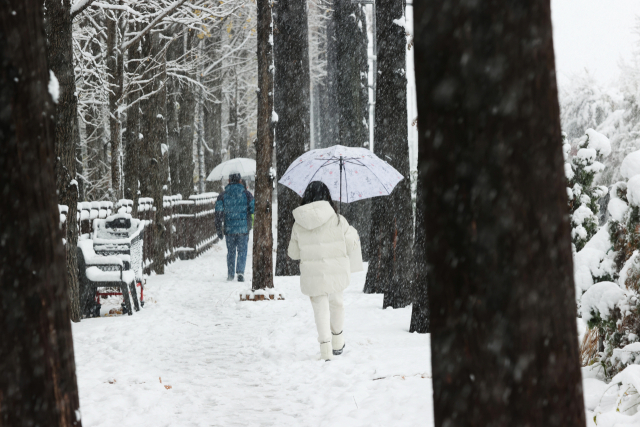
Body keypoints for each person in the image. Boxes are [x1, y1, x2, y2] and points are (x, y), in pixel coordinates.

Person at [287, 181, 363, 361]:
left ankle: (325, 350)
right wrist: (350, 231)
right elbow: (349, 244)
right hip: (336, 270)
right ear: (327, 196)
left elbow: (293, 253)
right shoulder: (337, 219)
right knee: (337, 303)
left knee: (320, 309)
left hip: (313, 274)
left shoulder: (299, 223)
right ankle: (338, 341)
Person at [215, 172, 255, 282]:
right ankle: (240, 272)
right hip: (243, 229)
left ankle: (230, 273)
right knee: (242, 251)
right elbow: (253, 209)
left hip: (229, 229)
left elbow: (218, 213)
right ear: (240, 180)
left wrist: (219, 228)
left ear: (229, 181)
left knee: (231, 252)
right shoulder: (247, 194)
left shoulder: (222, 196)